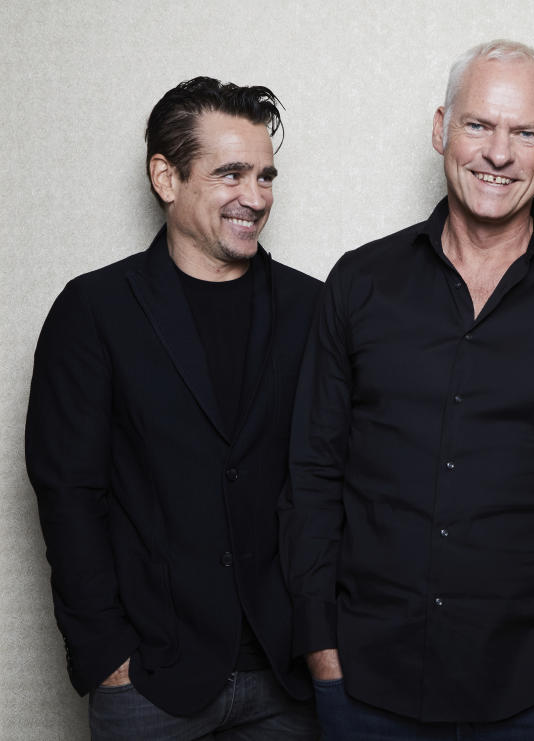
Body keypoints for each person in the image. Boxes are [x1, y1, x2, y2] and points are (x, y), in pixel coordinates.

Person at [280, 39, 534, 739]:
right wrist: (320, 651)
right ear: (440, 128)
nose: (499, 153)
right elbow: (312, 474)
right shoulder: (359, 283)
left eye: (524, 132)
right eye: (479, 125)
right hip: (365, 683)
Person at [25, 77, 321, 739]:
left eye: (266, 176)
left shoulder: (315, 310)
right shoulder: (94, 311)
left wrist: (326, 644)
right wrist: (107, 656)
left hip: (286, 679)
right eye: (231, 173)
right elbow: (69, 491)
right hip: (150, 684)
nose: (256, 196)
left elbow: (336, 483)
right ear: (166, 176)